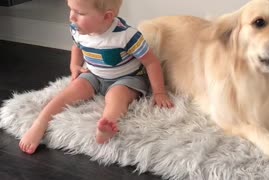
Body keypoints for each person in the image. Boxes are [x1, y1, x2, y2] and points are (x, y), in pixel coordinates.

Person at [19, 0, 174, 154]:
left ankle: (108, 125)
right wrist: (74, 66)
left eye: (80, 13)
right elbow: (77, 47)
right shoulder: (78, 30)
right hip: (94, 74)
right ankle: (40, 123)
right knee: (70, 92)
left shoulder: (127, 36)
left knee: (116, 97)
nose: (72, 17)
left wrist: (159, 92)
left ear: (106, 17)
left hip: (127, 78)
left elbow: (151, 62)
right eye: (70, 10)